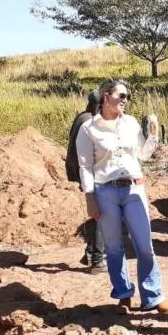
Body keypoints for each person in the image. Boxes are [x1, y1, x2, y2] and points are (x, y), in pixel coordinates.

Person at [76, 79, 168, 312]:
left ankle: (153, 295)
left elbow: (143, 155)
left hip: (133, 187)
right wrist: (90, 198)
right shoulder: (89, 129)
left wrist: (153, 137)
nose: (126, 100)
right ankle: (123, 294)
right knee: (114, 246)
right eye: (122, 95)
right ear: (106, 97)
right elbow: (85, 166)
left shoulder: (131, 123)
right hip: (105, 190)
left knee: (144, 243)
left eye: (127, 96)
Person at [66, 89, 106, 274]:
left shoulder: (81, 116)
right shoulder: (89, 121)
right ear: (99, 104)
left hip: (80, 171)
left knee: (98, 213)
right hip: (89, 173)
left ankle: (90, 253)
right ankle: (97, 261)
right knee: (101, 216)